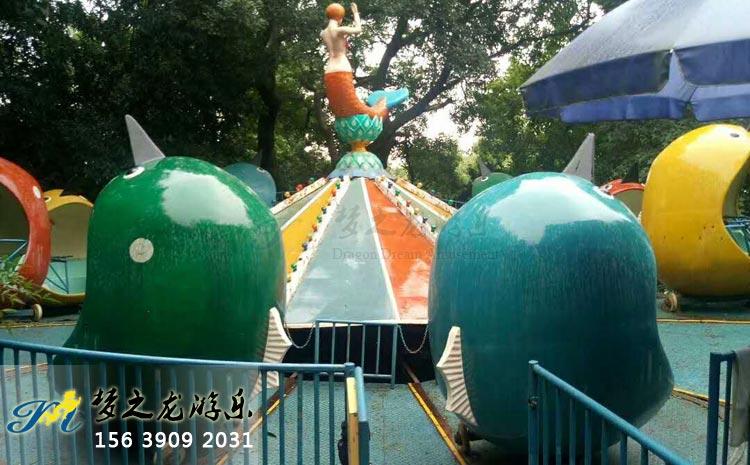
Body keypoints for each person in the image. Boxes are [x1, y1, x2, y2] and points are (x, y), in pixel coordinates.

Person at [321, 3, 388, 119]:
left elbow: (335, 42)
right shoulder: (339, 30)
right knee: (352, 103)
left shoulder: (323, 33)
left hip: (329, 70)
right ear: (340, 18)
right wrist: (356, 13)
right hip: (342, 68)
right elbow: (358, 29)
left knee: (340, 104)